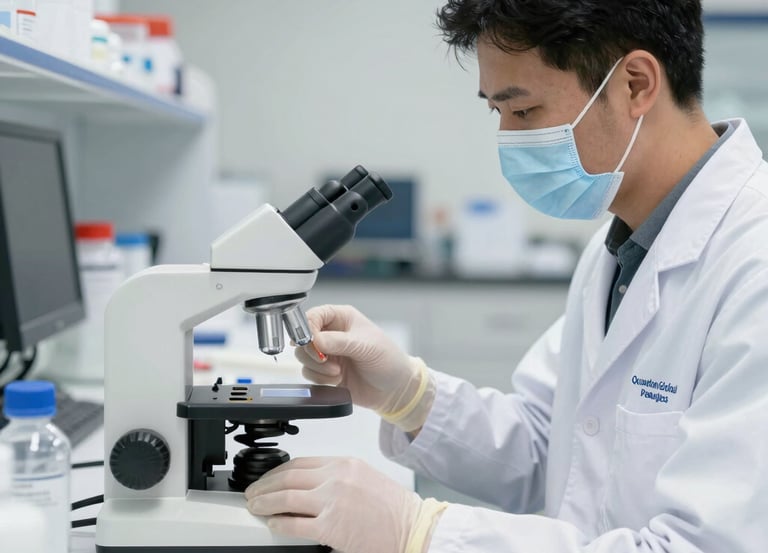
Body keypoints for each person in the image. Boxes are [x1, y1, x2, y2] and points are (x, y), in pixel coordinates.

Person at [244, 1, 768, 551]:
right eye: (496, 112)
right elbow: (553, 445)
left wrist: (421, 532)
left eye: (523, 111)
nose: (508, 139)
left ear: (635, 84)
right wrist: (411, 395)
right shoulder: (620, 248)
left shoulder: (752, 265)